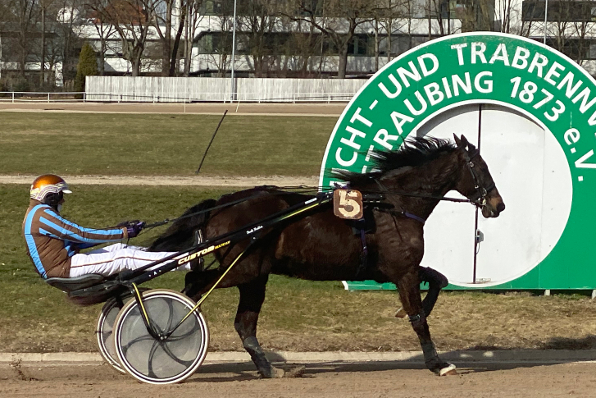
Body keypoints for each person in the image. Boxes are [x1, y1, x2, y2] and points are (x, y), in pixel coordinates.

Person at [23, 174, 190, 279]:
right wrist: (123, 232)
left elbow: (79, 242)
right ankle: (186, 261)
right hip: (62, 268)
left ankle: (173, 255)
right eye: (60, 196)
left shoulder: (38, 213)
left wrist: (119, 231)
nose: (63, 200)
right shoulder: (41, 215)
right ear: (50, 196)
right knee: (124, 257)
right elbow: (81, 234)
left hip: (65, 263)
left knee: (120, 247)